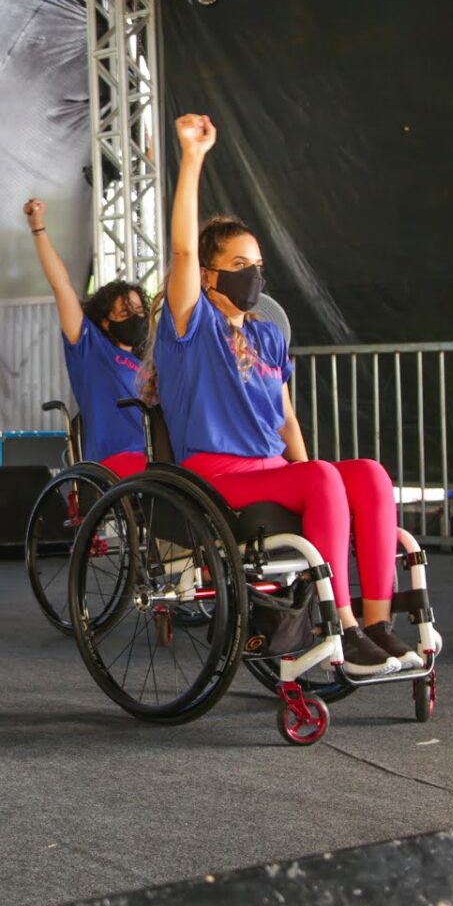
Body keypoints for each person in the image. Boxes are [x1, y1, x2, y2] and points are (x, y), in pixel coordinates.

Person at [153, 113, 415, 677]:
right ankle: (338, 626)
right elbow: (179, 253)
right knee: (321, 475)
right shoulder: (189, 325)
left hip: (271, 468)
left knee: (365, 473)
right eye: (239, 265)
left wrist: (321, 487)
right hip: (217, 476)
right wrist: (193, 158)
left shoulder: (268, 334)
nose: (253, 276)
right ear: (208, 274)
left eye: (259, 266)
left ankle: (377, 623)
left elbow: (287, 421)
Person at [23, 198, 148, 477]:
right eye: (126, 312)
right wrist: (38, 228)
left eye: (140, 310)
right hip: (117, 463)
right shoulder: (91, 348)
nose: (136, 317)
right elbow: (62, 286)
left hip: (155, 460)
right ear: (105, 321)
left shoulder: (147, 364)